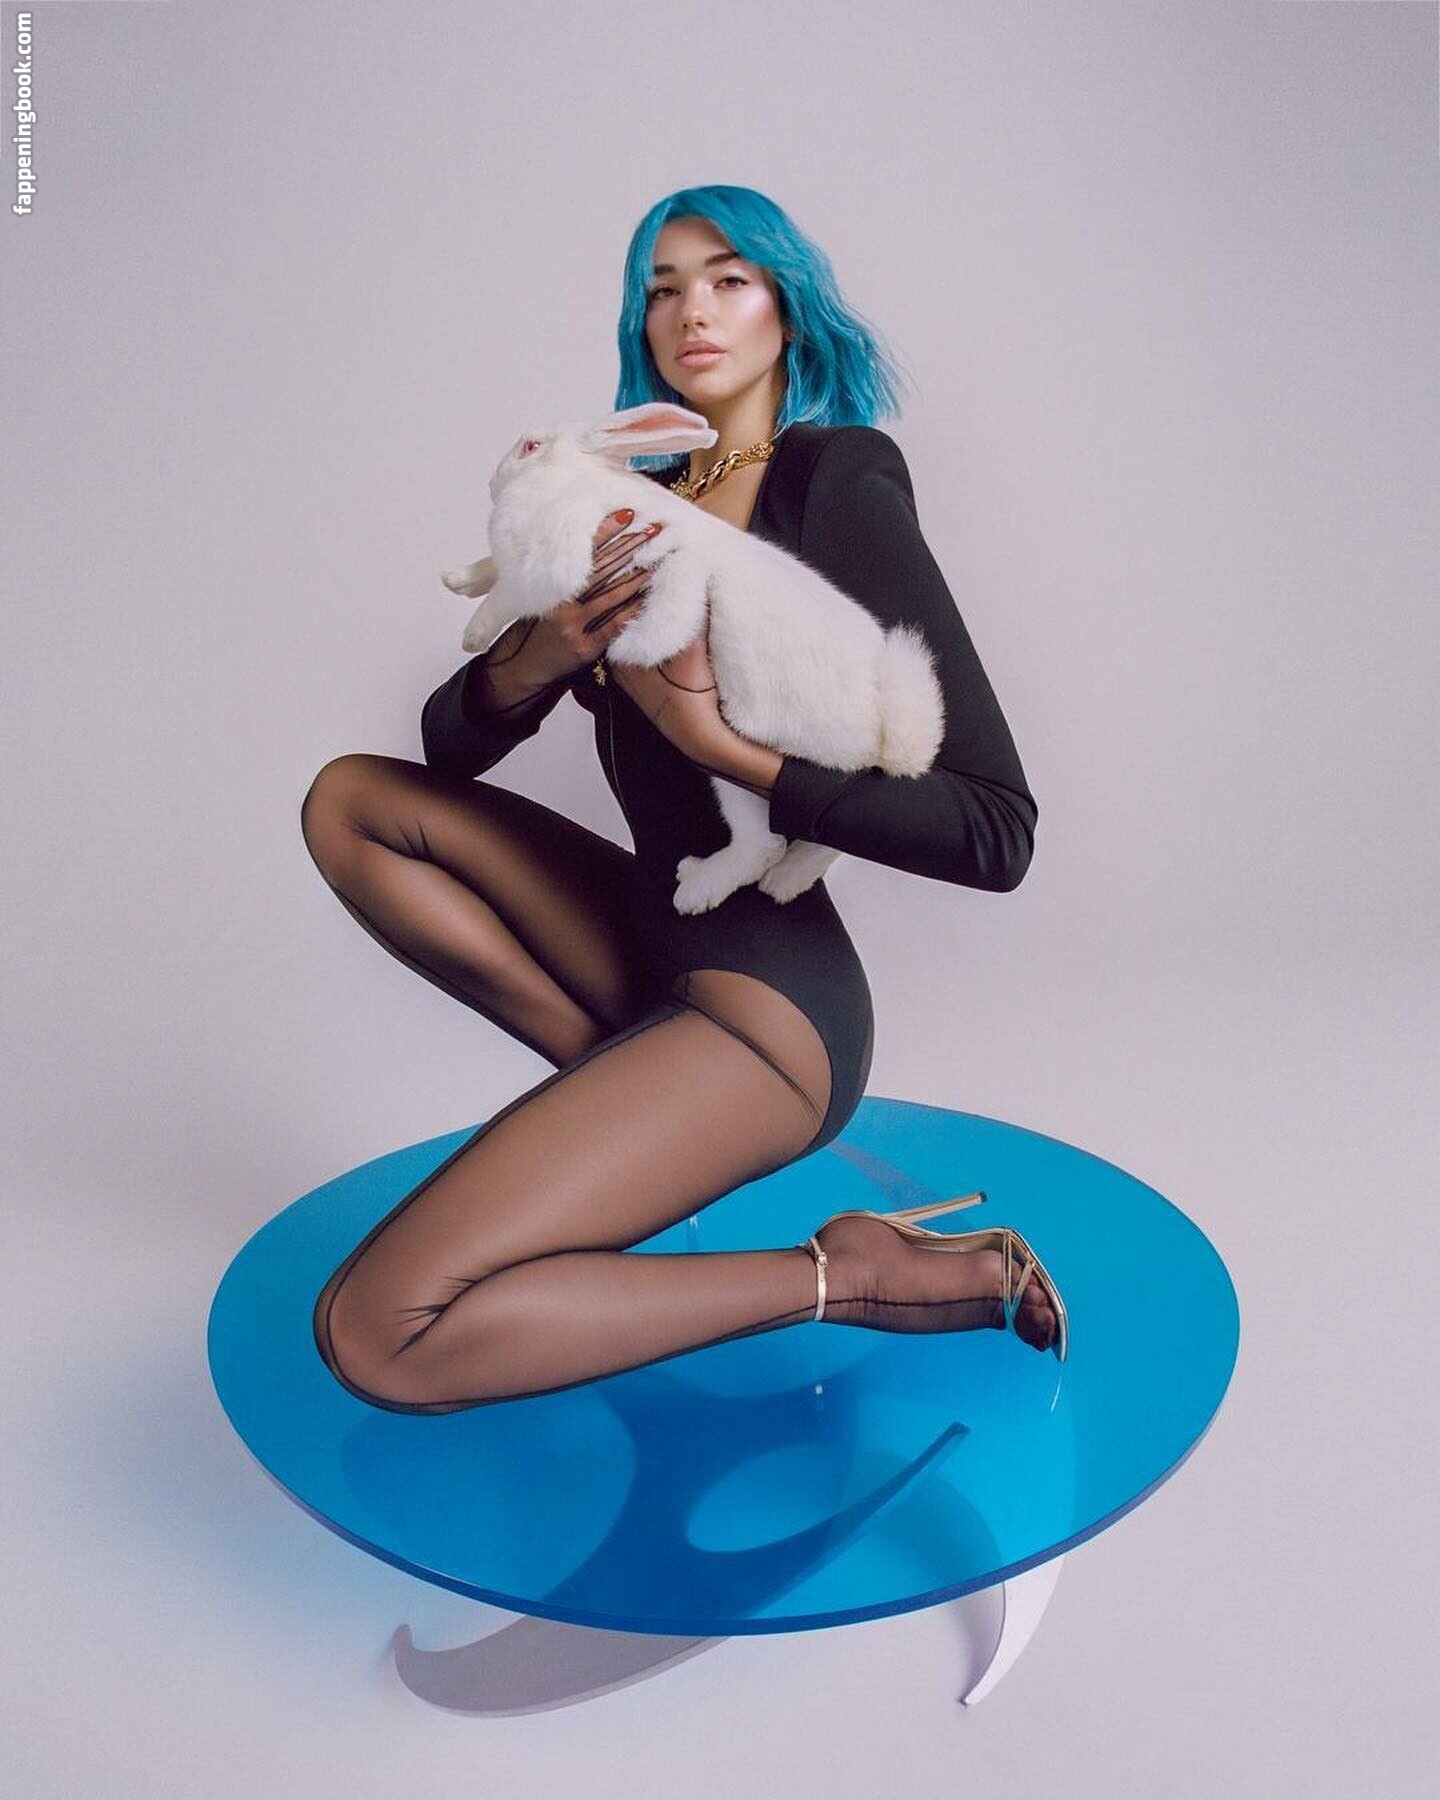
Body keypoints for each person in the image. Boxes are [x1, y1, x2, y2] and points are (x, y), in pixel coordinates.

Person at [298, 184, 1060, 1416]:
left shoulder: (832, 480)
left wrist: (723, 747)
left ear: (787, 312)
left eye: (727, 280)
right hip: (650, 948)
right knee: (351, 804)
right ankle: (624, 1093)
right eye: (662, 289)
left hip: (771, 1007)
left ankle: (851, 1273)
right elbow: (445, 753)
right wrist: (537, 658)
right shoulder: (630, 503)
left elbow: (995, 830)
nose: (690, 311)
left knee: (378, 1332)